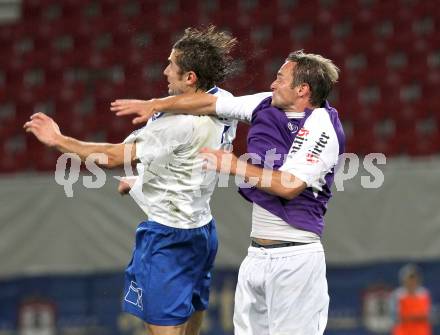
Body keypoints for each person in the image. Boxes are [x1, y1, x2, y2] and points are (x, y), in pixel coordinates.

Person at [111, 50, 345, 335]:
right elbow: (210, 103)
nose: (272, 84)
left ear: (302, 89)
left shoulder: (322, 126)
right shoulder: (265, 104)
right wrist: (157, 104)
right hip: (256, 256)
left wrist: (234, 165)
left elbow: (289, 186)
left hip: (296, 259)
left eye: (280, 78)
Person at [24, 26, 238, 335]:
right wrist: (141, 183)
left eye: (171, 65)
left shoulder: (178, 124)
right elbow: (189, 165)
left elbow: (112, 157)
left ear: (190, 77)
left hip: (169, 239)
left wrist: (58, 140)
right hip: (203, 230)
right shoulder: (224, 101)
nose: (165, 71)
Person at [390, 264, 432, 335]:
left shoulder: (424, 294)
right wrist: (416, 317)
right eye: (409, 279)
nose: (412, 281)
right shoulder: (397, 295)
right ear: (403, 280)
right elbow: (396, 317)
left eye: (414, 278)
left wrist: (411, 317)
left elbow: (428, 316)